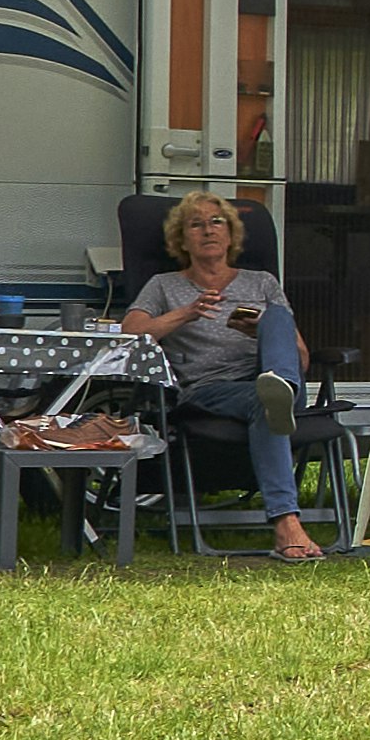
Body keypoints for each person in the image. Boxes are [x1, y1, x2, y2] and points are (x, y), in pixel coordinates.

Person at [118, 192, 323, 561]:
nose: (208, 230)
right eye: (195, 224)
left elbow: (303, 357)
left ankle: (280, 390)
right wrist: (187, 313)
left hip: (265, 373)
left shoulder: (262, 282)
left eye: (217, 222)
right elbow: (130, 334)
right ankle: (286, 522)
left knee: (275, 320)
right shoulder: (164, 285)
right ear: (182, 239)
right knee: (266, 400)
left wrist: (259, 332)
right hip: (208, 389)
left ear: (231, 236)